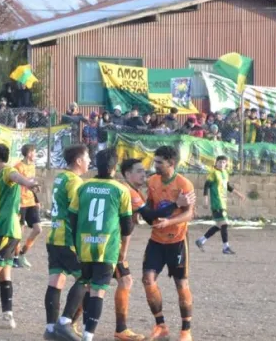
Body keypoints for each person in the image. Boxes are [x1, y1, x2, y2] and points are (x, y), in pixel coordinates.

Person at [68, 148, 134, 341]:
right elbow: (127, 226)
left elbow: (72, 218)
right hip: (107, 248)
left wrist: (76, 244)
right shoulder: (121, 190)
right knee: (98, 291)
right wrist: (124, 251)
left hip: (85, 247)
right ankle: (88, 336)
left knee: (88, 287)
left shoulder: (83, 187)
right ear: (115, 168)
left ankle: (80, 330)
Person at [0, 143, 40, 331]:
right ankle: (7, 316)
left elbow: (15, 176)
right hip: (10, 230)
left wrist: (28, 183)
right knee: (5, 272)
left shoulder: (6, 172)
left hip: (4, 230)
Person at [142, 146, 196, 341]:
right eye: (155, 161)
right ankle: (161, 325)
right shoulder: (152, 181)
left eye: (159, 162)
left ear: (171, 164)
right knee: (148, 280)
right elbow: (149, 207)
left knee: (181, 285)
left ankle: (185, 331)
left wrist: (169, 222)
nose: (154, 165)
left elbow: (190, 214)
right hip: (156, 240)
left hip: (178, 241)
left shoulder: (184, 184)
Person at [43, 144, 91, 341]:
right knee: (86, 278)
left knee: (56, 280)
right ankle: (65, 322)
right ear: (79, 161)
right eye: (87, 157)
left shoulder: (61, 177)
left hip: (54, 236)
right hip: (67, 238)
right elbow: (77, 212)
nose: (90, 161)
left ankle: (50, 328)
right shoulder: (74, 181)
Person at [196, 155, 245, 255]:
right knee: (224, 224)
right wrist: (205, 199)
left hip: (223, 202)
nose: (221, 164)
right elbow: (207, 185)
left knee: (219, 226)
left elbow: (227, 186)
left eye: (223, 162)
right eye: (220, 162)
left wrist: (238, 194)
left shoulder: (225, 173)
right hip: (217, 203)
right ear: (216, 162)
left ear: (226, 163)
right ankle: (225, 247)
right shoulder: (213, 173)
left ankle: (201, 240)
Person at [14, 144, 42, 268]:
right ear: (29, 153)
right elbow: (14, 184)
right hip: (21, 203)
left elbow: (32, 184)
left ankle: (22, 253)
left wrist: (36, 198)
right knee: (19, 231)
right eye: (34, 152)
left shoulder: (32, 166)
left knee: (38, 229)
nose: (35, 155)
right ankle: (15, 257)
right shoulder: (18, 167)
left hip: (31, 202)